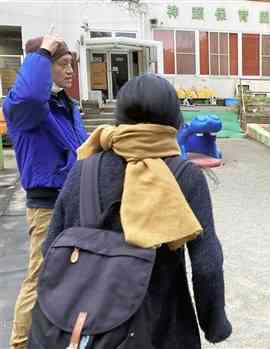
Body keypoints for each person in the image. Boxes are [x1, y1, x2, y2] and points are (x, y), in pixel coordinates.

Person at [40, 74, 232, 348]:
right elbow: (207, 264)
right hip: (163, 328)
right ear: (173, 119)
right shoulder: (183, 174)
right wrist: (214, 325)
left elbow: (49, 250)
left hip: (88, 329)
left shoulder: (85, 167)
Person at [2, 34, 88, 349]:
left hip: (75, 199)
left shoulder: (66, 106)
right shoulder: (23, 108)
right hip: (47, 206)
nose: (70, 72)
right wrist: (42, 52)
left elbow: (82, 147)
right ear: (40, 67)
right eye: (62, 64)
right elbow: (28, 97)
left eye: (72, 65)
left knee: (77, 273)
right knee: (40, 278)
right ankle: (20, 344)